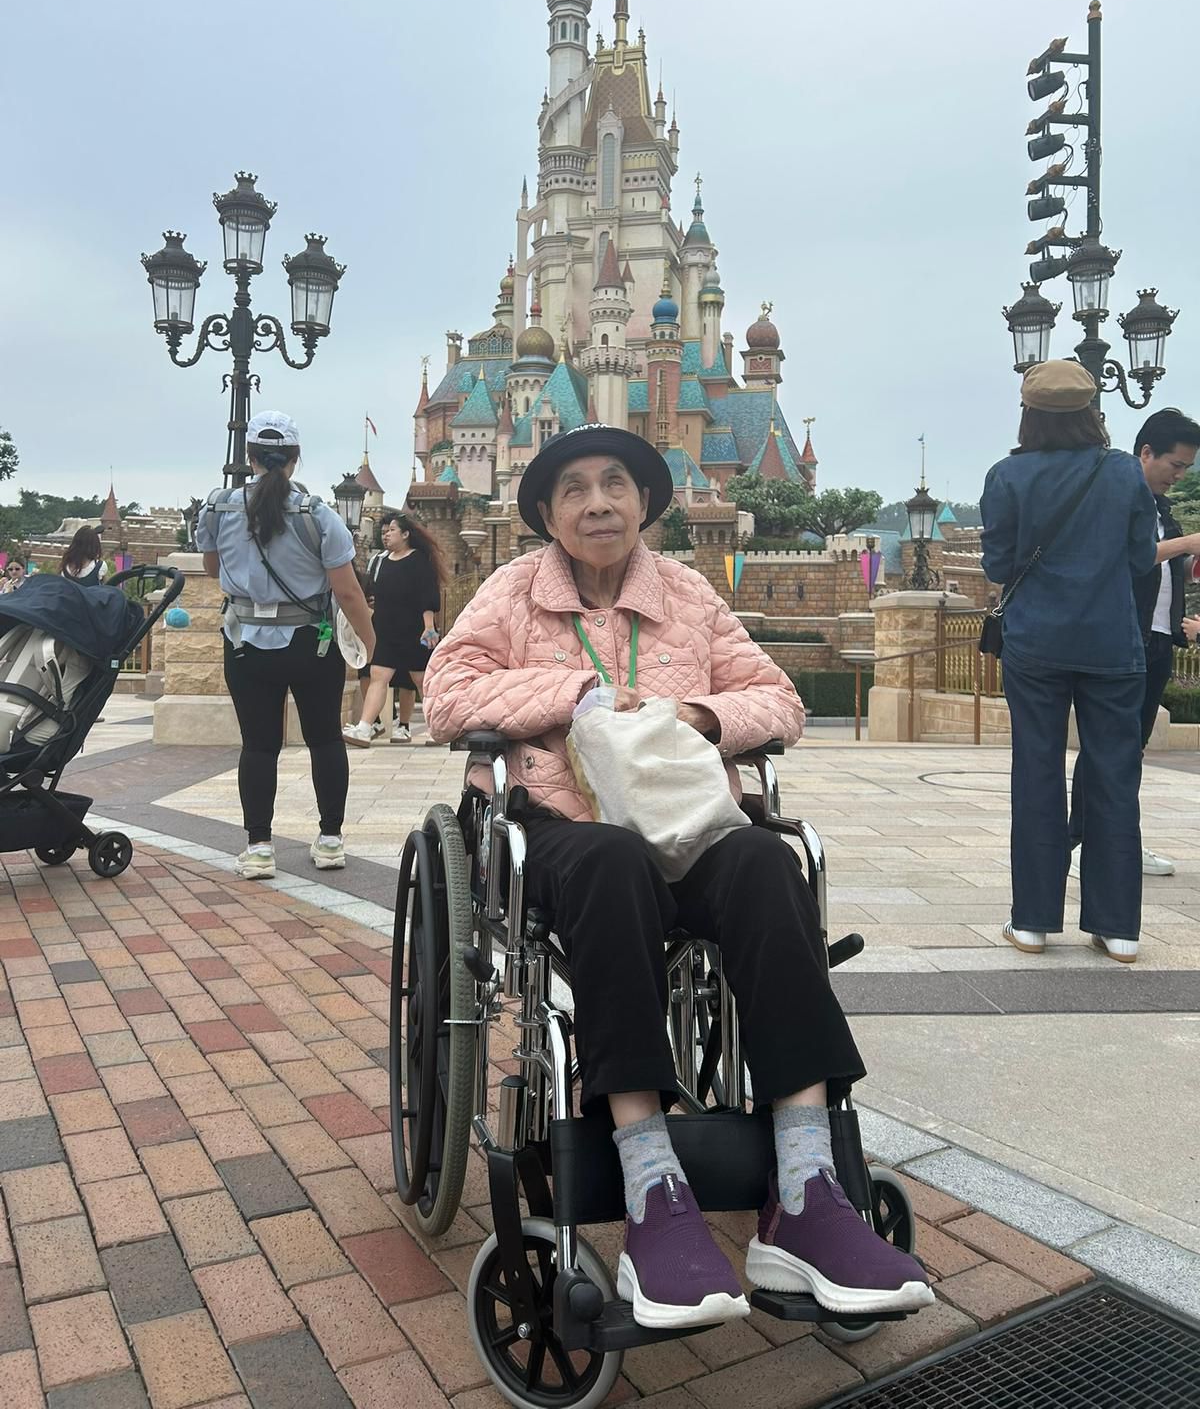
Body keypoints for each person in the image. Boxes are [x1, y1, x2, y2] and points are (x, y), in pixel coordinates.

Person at [424, 424, 932, 1330]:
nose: (597, 504)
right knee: (612, 863)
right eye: (574, 490)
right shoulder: (512, 594)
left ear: (646, 503)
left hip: (684, 824)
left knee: (768, 862)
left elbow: (779, 700)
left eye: (614, 485)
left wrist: (697, 713)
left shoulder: (690, 594)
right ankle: (652, 1181)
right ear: (547, 513)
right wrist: (572, 695)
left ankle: (806, 1187)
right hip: (567, 832)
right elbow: (446, 695)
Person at [981, 361, 1158, 964]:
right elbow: (1141, 559)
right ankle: (1119, 929)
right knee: (1114, 778)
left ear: (1029, 414)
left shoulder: (1007, 475)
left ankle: (1032, 923)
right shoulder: (1124, 472)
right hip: (1112, 644)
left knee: (1036, 772)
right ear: (1092, 412)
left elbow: (998, 565)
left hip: (1035, 645)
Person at [196, 411, 376, 880]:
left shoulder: (218, 508)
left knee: (258, 746)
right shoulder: (318, 515)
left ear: (249, 456)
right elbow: (347, 590)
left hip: (244, 642)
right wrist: (369, 641)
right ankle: (331, 840)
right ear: (295, 458)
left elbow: (213, 570)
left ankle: (259, 848)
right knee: (324, 739)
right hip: (311, 642)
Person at [1069, 407, 1200, 878]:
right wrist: (1187, 545)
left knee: (1132, 751)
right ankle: (1079, 840)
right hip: (1122, 641)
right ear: (1146, 452)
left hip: (1159, 640)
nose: (1179, 476)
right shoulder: (1116, 499)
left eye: (1186, 468)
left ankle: (1121, 841)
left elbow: (1164, 568)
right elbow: (1126, 558)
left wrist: (1189, 561)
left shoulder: (1163, 510)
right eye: (1175, 465)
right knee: (1104, 748)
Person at [343, 512, 443, 747]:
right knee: (378, 676)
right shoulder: (382, 561)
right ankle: (364, 728)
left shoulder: (419, 560)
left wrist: (429, 627)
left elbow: (428, 595)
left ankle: (438, 728)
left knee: (421, 680)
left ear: (405, 534)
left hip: (414, 630)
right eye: (384, 531)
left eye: (391, 530)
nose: (386, 535)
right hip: (385, 630)